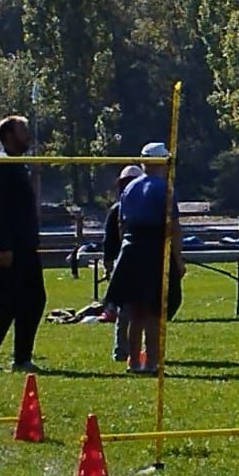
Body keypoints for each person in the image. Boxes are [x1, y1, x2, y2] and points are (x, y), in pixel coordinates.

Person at [103, 145, 184, 374]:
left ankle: (133, 361)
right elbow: (173, 227)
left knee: (135, 309)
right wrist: (178, 258)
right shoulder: (165, 189)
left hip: (130, 249)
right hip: (154, 249)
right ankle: (152, 361)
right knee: (154, 311)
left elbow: (121, 224)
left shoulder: (129, 188)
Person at [0, 114, 45, 373]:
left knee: (34, 299)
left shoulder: (20, 165)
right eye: (23, 131)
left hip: (27, 245)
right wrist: (4, 245)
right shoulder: (0, 165)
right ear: (9, 136)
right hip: (9, 247)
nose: (28, 136)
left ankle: (22, 358)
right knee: (6, 302)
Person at [102, 163, 146, 362]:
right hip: (124, 264)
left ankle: (142, 350)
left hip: (143, 262)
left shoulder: (147, 207)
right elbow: (109, 240)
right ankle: (122, 350)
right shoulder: (117, 210)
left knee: (145, 310)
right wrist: (109, 263)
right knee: (125, 310)